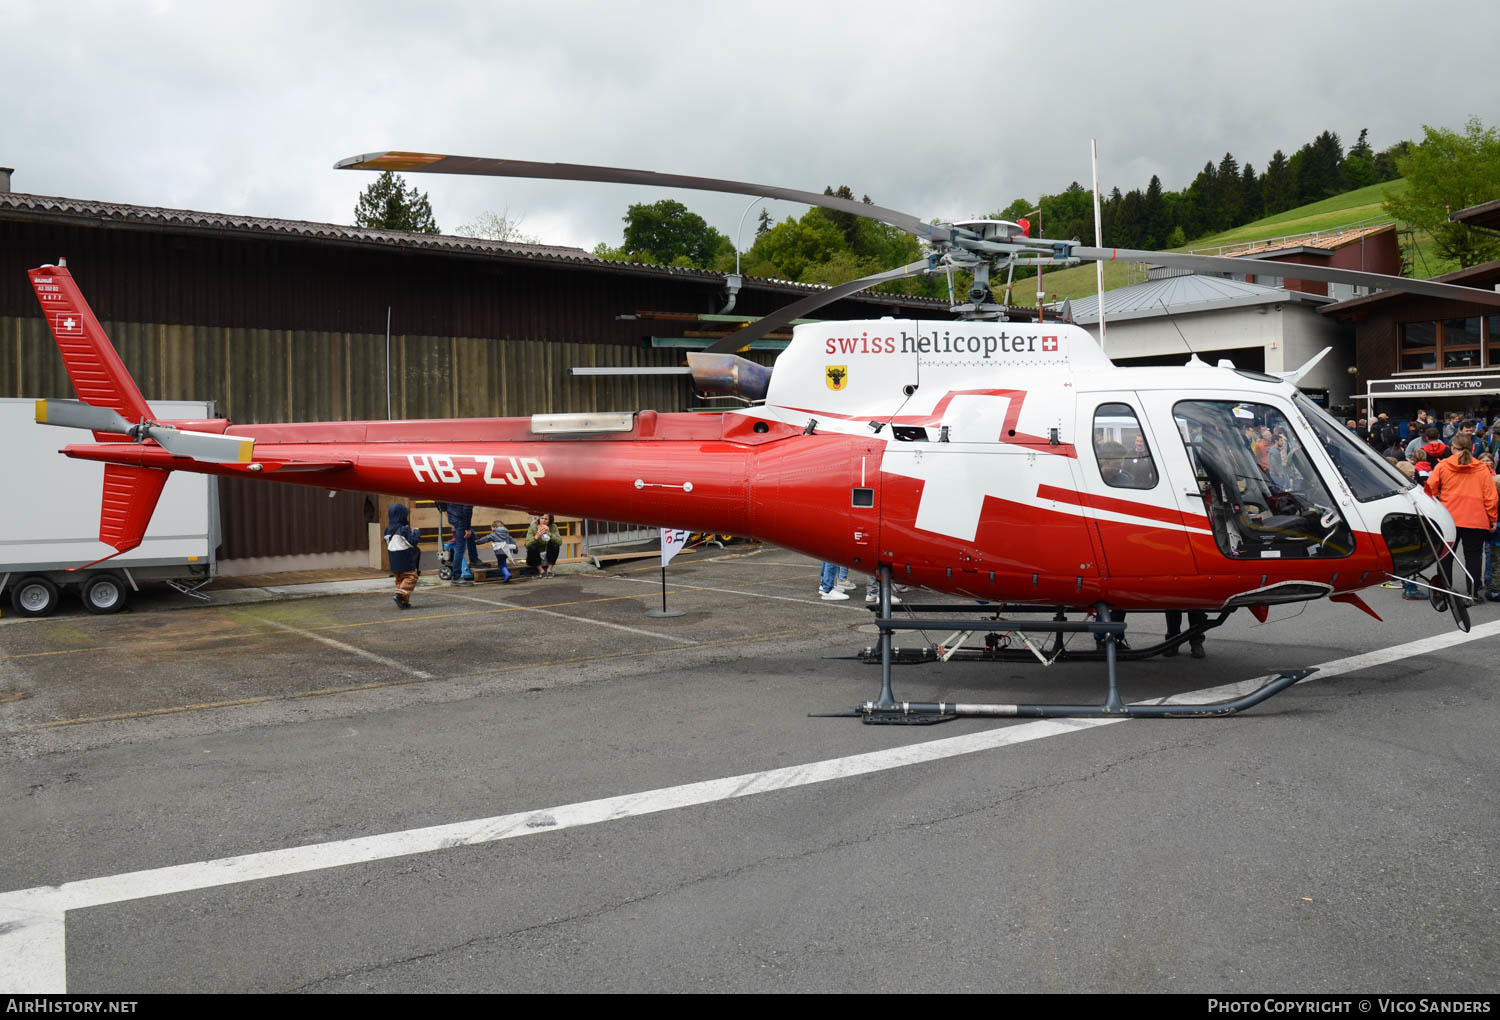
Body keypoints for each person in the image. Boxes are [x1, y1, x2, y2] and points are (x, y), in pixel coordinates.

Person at [1427, 433, 1499, 606]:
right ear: (1472, 448)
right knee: (1473, 557)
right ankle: (1472, 594)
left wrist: (1437, 508)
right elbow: (1490, 497)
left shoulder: (1443, 466)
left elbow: (1430, 490)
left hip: (1449, 517)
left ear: (1452, 447)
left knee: (1446, 557)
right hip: (1475, 518)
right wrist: (1492, 518)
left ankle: (1444, 593)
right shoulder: (1482, 468)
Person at [384, 503, 422, 610]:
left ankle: (404, 602)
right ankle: (399, 595)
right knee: (411, 577)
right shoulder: (403, 529)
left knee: (400, 580)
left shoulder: (387, 529)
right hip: (404, 557)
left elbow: (388, 543)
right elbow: (413, 542)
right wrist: (417, 533)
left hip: (393, 558)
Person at [443, 502, 476, 585]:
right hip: (460, 519)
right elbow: (467, 509)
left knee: (472, 535)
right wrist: (467, 528)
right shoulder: (468, 492)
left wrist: (445, 510)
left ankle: (474, 560)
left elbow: (439, 499)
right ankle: (456, 578)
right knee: (460, 549)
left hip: (453, 515)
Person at [525, 513, 562, 577]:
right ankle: (541, 571)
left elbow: (560, 542)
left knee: (555, 544)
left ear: (550, 520)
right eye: (542, 518)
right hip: (535, 557)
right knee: (532, 547)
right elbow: (527, 545)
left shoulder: (553, 527)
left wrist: (550, 534)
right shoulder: (533, 528)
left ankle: (549, 570)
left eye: (546, 519)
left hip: (548, 555)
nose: (543, 520)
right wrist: (536, 537)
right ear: (539, 519)